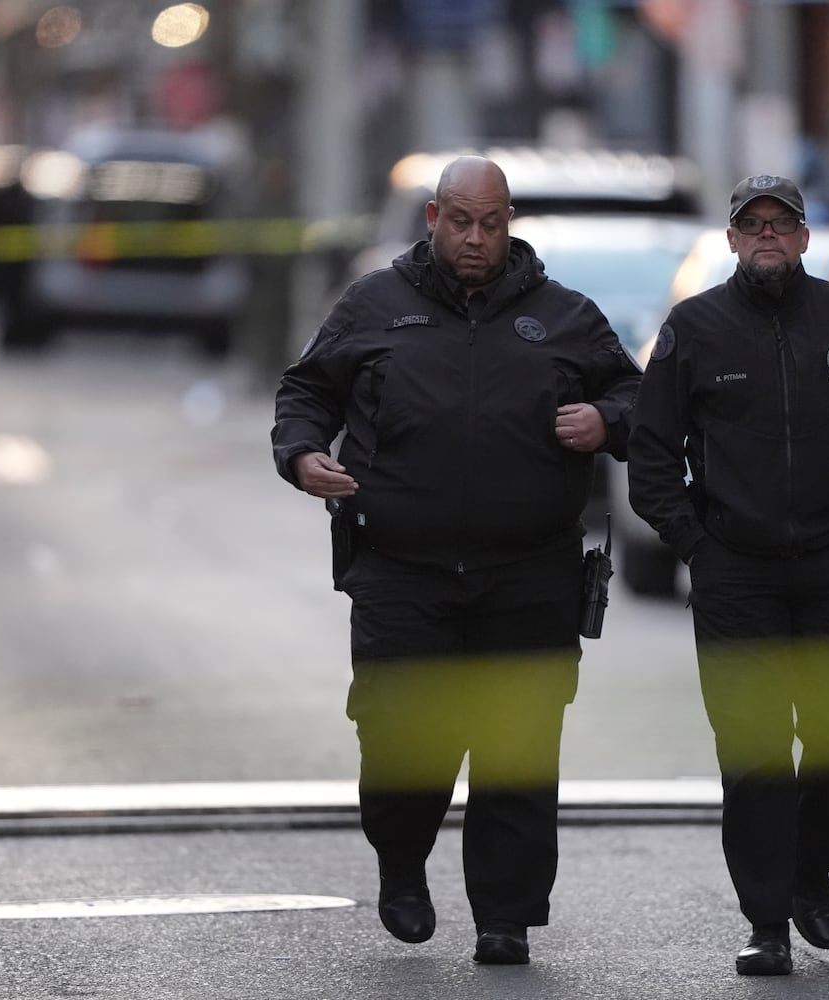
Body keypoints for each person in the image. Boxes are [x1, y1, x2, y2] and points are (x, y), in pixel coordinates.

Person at [271, 156, 641, 965]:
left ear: (511, 223)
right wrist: (301, 455)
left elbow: (638, 397)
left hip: (529, 572)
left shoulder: (565, 315)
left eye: (493, 223)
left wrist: (607, 421)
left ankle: (505, 916)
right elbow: (307, 393)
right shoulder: (374, 304)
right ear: (433, 217)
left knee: (517, 749)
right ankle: (402, 864)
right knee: (407, 743)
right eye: (462, 222)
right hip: (404, 571)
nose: (477, 239)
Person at [626, 175, 829, 976]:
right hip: (735, 574)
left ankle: (812, 870)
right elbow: (651, 459)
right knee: (753, 752)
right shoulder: (694, 329)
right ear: (730, 240)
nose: (766, 237)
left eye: (780, 225)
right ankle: (767, 922)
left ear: (803, 238)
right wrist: (697, 545)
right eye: (751, 225)